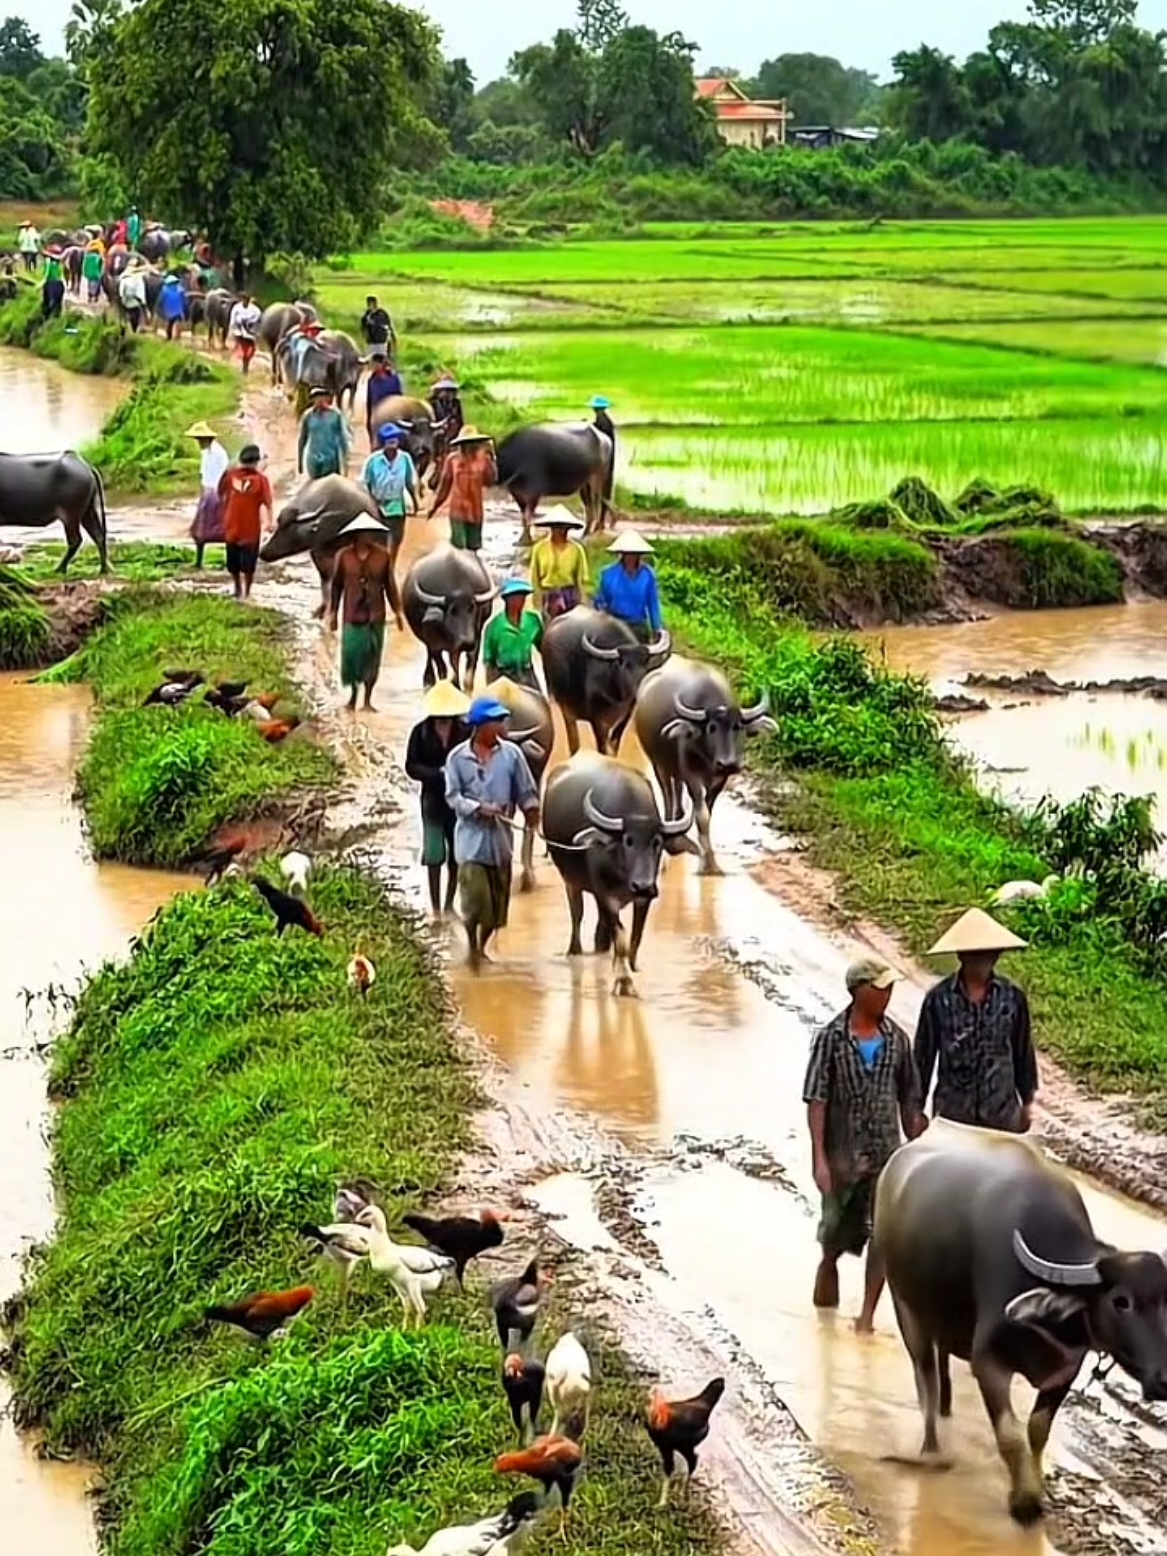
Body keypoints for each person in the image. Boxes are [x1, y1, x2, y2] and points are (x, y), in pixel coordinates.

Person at [803, 958, 927, 1334]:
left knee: (883, 1237)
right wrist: (819, 1159)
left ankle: (867, 1316)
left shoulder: (897, 1040)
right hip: (843, 1158)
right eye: (881, 988)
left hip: (886, 1156)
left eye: (890, 989)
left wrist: (917, 1131)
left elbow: (909, 1095)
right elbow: (816, 1100)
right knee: (834, 1234)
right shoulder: (831, 1039)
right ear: (860, 991)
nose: (887, 996)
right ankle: (827, 1277)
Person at [914, 907, 1038, 1134]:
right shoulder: (938, 999)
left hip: (1001, 1115)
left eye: (990, 953)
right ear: (961, 956)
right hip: (954, 1116)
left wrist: (1028, 1101)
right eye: (976, 954)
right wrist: (915, 1108)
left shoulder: (1013, 998)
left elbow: (1022, 1052)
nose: (984, 960)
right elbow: (923, 1057)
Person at [444, 697, 540, 972]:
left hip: (501, 844)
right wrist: (478, 808)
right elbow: (453, 797)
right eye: (496, 721)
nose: (502, 725)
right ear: (479, 727)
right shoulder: (457, 758)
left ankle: (481, 945)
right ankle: (473, 951)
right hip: (470, 843)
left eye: (501, 720)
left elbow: (525, 789)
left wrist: (531, 808)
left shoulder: (512, 755)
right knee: (475, 902)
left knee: (497, 912)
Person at [405, 680, 472, 917]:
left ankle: (449, 904)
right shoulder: (420, 733)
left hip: (458, 804)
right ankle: (435, 908)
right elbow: (411, 766)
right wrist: (437, 774)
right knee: (434, 855)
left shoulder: (465, 732)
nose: (443, 720)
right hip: (432, 801)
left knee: (457, 855)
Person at [326, 514, 405, 712]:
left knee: (372, 658)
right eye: (365, 533)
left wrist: (398, 611)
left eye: (372, 533)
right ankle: (353, 697)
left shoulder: (382, 556)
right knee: (352, 656)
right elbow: (336, 587)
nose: (369, 537)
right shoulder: (343, 557)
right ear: (356, 535)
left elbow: (390, 586)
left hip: (376, 615)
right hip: (352, 616)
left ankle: (368, 700)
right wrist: (332, 612)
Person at [218, 444, 272, 602]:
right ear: (256, 462)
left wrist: (270, 521)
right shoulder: (259, 480)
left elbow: (221, 493)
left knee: (240, 563)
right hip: (246, 527)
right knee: (242, 563)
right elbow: (268, 503)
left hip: (237, 525)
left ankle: (242, 589)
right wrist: (270, 521)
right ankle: (242, 590)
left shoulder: (233, 476)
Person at [361, 423, 418, 573]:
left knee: (397, 538)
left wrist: (415, 501)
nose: (392, 446)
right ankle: (378, 564)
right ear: (382, 443)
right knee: (380, 539)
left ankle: (391, 565)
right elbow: (364, 484)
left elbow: (409, 482)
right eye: (389, 442)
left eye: (395, 441)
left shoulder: (405, 459)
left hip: (397, 504)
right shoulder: (373, 461)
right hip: (377, 505)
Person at [428, 426, 496, 552]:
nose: (470, 446)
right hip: (458, 511)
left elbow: (490, 482)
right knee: (459, 548)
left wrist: (492, 459)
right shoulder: (452, 460)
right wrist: (435, 506)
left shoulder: (484, 459)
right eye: (466, 443)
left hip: (476, 512)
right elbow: (444, 486)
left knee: (473, 550)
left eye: (472, 443)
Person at [593, 530, 662, 642]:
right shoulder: (609, 573)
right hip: (615, 625)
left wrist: (657, 627)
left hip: (638, 625)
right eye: (627, 553)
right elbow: (599, 601)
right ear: (622, 554)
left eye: (634, 553)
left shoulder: (648, 575)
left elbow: (653, 603)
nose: (631, 556)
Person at [482, 579, 544, 691]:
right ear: (506, 600)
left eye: (522, 597)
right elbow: (489, 662)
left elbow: (543, 647)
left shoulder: (532, 621)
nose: (520, 601)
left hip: (526, 673)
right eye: (515, 598)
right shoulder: (494, 627)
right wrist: (491, 687)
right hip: (504, 675)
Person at [529, 506, 589, 619]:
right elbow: (534, 579)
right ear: (551, 527)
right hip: (547, 595)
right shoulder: (539, 549)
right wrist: (536, 605)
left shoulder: (576, 549)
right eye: (557, 526)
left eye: (564, 527)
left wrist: (582, 603)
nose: (561, 530)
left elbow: (580, 580)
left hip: (569, 595)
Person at [186, 421, 229, 569]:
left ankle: (229, 559)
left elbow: (224, 474)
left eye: (200, 439)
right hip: (207, 492)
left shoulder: (219, 453)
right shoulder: (206, 453)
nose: (198, 443)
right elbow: (203, 475)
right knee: (200, 529)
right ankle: (199, 561)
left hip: (217, 493)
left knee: (221, 528)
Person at [298, 386, 350, 480]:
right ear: (312, 400)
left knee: (329, 488)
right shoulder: (308, 416)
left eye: (322, 397)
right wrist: (300, 462)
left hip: (330, 459)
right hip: (313, 459)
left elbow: (343, 438)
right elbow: (302, 439)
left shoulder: (336, 415)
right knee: (314, 488)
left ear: (327, 398)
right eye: (316, 398)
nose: (319, 400)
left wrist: (346, 463)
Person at [364, 348, 404, 449]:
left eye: (376, 364)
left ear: (383, 364)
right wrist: (369, 419)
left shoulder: (394, 379)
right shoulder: (371, 381)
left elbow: (399, 397)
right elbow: (369, 400)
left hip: (392, 413)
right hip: (377, 414)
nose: (374, 367)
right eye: (373, 364)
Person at [228, 293, 261, 374]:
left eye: (246, 300)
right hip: (240, 333)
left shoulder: (254, 310)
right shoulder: (236, 308)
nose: (244, 301)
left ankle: (246, 363)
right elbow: (233, 319)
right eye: (243, 299)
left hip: (250, 334)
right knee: (243, 350)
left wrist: (250, 322)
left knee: (249, 351)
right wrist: (232, 330)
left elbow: (258, 317)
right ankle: (244, 366)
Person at [118, 262, 148, 333]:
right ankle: (134, 329)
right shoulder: (139, 280)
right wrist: (143, 302)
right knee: (135, 316)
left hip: (126, 301)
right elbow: (141, 292)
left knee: (124, 315)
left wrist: (122, 299)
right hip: (135, 302)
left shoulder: (124, 280)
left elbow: (121, 292)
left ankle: (124, 328)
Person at [158, 271, 186, 340]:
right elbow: (185, 301)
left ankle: (169, 337)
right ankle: (177, 337)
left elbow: (160, 300)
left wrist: (160, 308)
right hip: (179, 310)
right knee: (178, 323)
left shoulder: (164, 290)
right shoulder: (180, 290)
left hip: (169, 310)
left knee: (170, 324)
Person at [41, 250, 65, 320]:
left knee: (49, 302)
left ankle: (48, 318)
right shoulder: (59, 265)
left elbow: (46, 275)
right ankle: (57, 318)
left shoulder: (48, 264)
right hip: (60, 283)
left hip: (51, 284)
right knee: (58, 303)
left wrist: (41, 283)